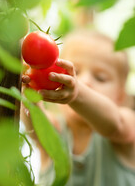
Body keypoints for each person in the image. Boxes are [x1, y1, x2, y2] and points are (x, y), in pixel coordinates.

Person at [20, 29, 135, 186]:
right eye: (76, 72)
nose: (85, 81)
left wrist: (77, 92)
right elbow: (35, 123)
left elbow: (116, 124)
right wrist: (31, 90)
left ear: (120, 96)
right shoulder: (55, 130)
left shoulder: (126, 126)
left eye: (100, 78)